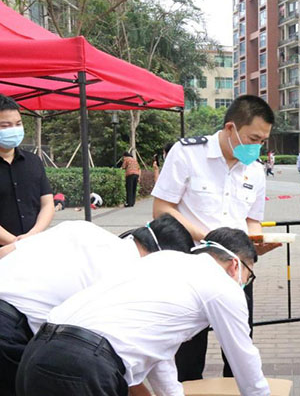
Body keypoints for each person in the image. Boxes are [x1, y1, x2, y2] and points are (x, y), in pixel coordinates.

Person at [15, 227, 270, 396]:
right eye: (248, 274)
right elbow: (243, 357)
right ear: (235, 264)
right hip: (82, 366)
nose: (244, 282)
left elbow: (159, 355)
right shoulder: (223, 286)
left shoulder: (162, 261)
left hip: (37, 352)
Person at [151, 95, 278, 381]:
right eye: (253, 138)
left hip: (236, 270)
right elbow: (162, 209)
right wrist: (209, 240)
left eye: (262, 141)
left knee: (238, 352)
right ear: (231, 128)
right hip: (189, 269)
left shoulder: (255, 170)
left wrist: (257, 243)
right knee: (188, 353)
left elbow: (252, 220)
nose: (257, 147)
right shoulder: (187, 154)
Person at [0, 214, 194, 396]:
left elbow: (6, 252)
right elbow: (129, 359)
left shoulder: (82, 228)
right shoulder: (130, 276)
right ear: (164, 259)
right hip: (11, 333)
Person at [0, 94, 54, 246]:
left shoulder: (34, 161)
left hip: (33, 246)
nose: (13, 130)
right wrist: (16, 243)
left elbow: (47, 204)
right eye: (5, 126)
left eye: (18, 124)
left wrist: (33, 235)